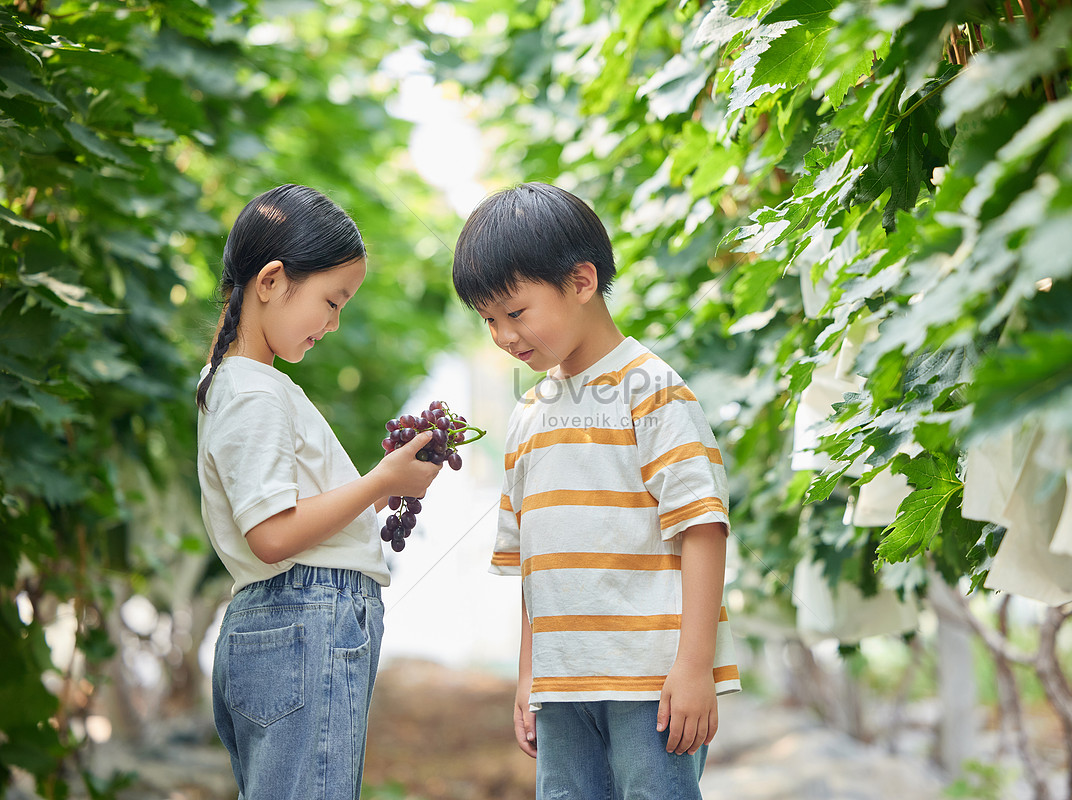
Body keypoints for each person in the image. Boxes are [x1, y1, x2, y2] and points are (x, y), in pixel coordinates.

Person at [452, 182, 740, 799]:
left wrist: (695, 668)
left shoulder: (652, 391)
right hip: (563, 689)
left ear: (581, 282)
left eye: (516, 312)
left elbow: (703, 528)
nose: (503, 336)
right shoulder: (528, 414)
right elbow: (535, 564)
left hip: (651, 685)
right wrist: (530, 675)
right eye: (489, 320)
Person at [196, 184, 442, 800]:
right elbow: (274, 535)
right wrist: (380, 481)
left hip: (286, 620)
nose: (332, 324)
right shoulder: (254, 392)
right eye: (331, 302)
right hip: (305, 616)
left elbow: (292, 517)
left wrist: (376, 490)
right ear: (273, 280)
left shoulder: (244, 385)